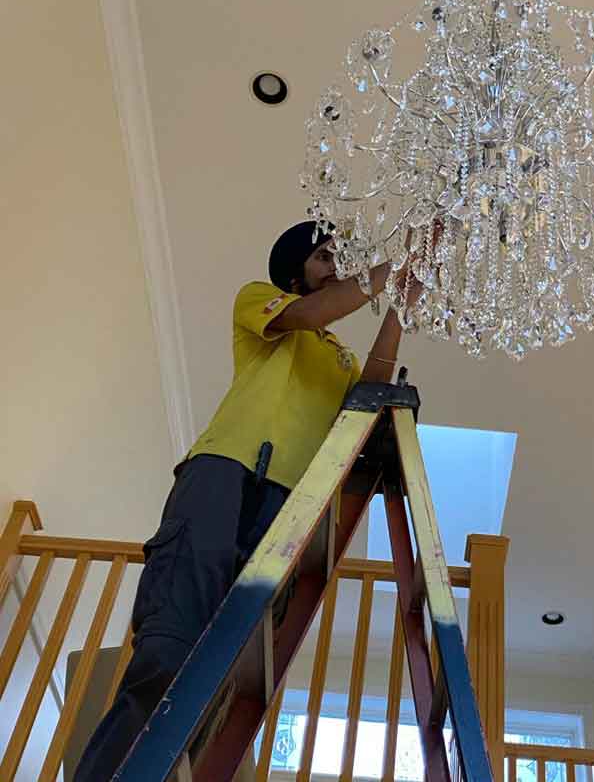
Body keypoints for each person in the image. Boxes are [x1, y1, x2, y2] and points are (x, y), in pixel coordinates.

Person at [73, 221, 419, 781]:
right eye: (325, 257)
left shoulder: (338, 358)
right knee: (165, 653)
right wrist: (396, 260)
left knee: (220, 678)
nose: (338, 266)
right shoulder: (262, 302)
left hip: (288, 505)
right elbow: (312, 313)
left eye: (342, 258)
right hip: (224, 471)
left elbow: (371, 384)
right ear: (294, 269)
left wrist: (404, 295)